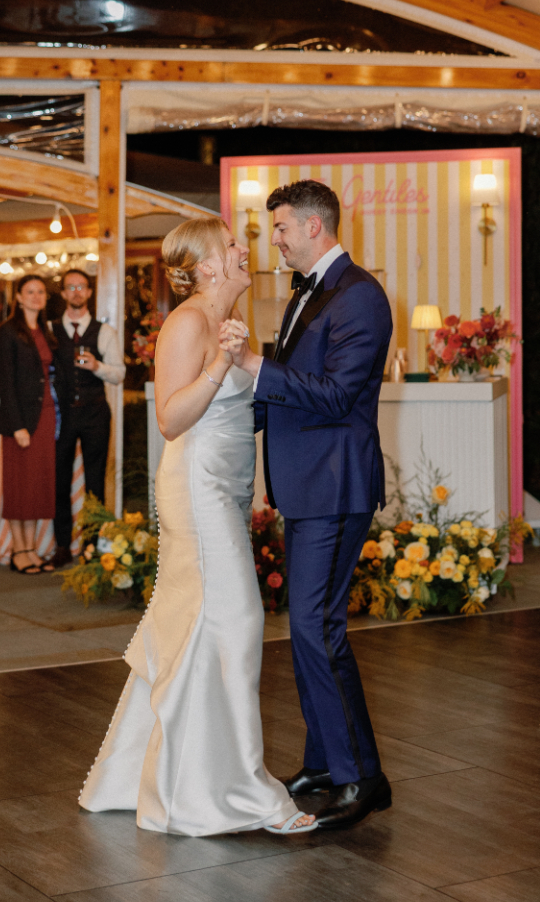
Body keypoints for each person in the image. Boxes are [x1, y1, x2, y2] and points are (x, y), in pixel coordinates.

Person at [79, 219, 316, 837]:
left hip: (227, 489)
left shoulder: (231, 321)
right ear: (208, 265)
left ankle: (149, 778)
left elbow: (239, 412)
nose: (244, 250)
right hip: (196, 487)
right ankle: (236, 792)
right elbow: (170, 419)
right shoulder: (187, 323)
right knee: (237, 623)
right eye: (232, 245)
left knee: (197, 627)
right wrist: (219, 363)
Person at [221, 179, 393, 832]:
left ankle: (362, 778)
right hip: (308, 484)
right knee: (307, 630)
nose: (276, 240)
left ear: (314, 227)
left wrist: (253, 363)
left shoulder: (360, 295)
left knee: (318, 630)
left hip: (335, 485)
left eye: (282, 228)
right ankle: (324, 764)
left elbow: (336, 394)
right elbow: (292, 390)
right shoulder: (310, 292)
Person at [50, 268, 125, 566]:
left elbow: (119, 374)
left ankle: (91, 547)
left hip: (95, 413)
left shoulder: (104, 332)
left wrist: (97, 366)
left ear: (90, 292)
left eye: (81, 286)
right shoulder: (50, 329)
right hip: (62, 416)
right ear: (63, 293)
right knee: (59, 480)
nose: (77, 292)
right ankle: (61, 546)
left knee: (95, 482)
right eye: (71, 287)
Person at [0, 275, 61, 574]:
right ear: (18, 297)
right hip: (20, 420)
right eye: (30, 292)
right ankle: (17, 550)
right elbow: (5, 383)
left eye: (41, 291)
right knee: (19, 485)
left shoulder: (45, 330)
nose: (36, 296)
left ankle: (31, 549)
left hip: (45, 415)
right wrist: (17, 425)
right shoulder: (7, 332)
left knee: (35, 485)